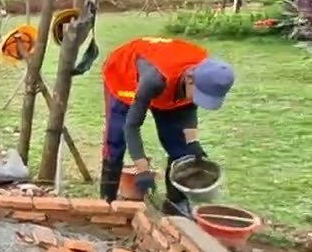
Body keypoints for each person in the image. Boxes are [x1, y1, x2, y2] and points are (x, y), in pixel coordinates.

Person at [100, 36, 235, 216]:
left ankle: (175, 204)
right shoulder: (154, 79)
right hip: (125, 75)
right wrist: (142, 169)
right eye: (199, 95)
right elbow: (131, 127)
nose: (198, 100)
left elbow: (189, 114)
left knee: (182, 147)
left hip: (170, 85)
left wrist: (193, 144)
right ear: (190, 79)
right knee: (116, 140)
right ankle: (107, 201)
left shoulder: (207, 72)